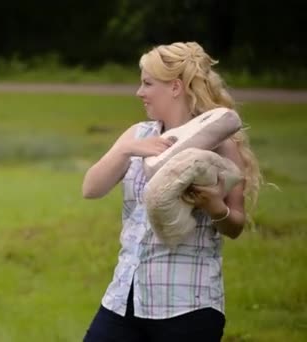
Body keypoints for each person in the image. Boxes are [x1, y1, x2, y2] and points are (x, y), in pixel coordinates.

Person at [81, 42, 262, 342]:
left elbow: (236, 225)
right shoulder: (138, 135)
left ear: (175, 87)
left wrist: (215, 206)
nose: (139, 92)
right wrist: (127, 149)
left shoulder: (221, 143)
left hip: (187, 306)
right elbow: (90, 188)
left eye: (147, 83)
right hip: (125, 297)